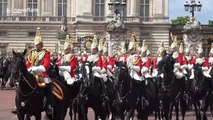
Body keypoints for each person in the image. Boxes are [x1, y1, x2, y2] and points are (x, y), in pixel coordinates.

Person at [26, 27, 53, 115]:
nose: (36, 46)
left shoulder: (46, 53)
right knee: (22, 83)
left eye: (37, 45)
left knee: (47, 85)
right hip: (31, 73)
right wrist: (28, 69)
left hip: (41, 74)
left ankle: (48, 105)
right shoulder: (31, 52)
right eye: (35, 44)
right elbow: (28, 63)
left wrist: (35, 68)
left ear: (41, 44)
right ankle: (21, 103)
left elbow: (46, 65)